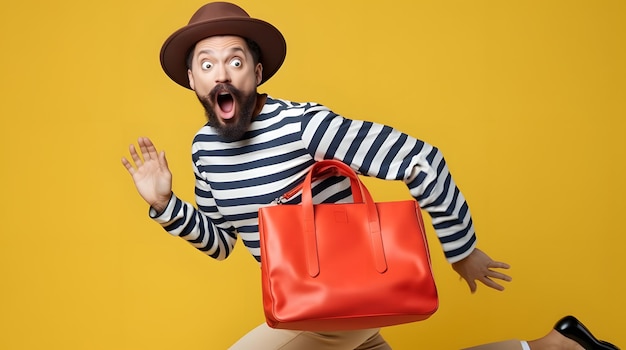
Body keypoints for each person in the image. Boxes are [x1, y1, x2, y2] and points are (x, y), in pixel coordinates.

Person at [121, 2, 619, 349]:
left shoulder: (300, 123)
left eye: (235, 60)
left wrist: (462, 250)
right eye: (206, 64)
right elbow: (222, 243)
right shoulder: (204, 149)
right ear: (192, 80)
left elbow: (420, 159)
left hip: (344, 292)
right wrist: (165, 206)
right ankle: (557, 346)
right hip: (308, 299)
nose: (221, 73)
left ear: (258, 71)